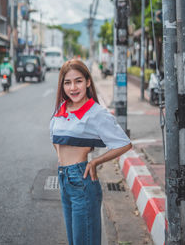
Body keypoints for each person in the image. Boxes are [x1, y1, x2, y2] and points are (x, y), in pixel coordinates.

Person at [49, 59, 132, 245]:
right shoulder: (62, 108)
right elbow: (55, 138)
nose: (73, 88)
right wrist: (61, 159)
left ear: (88, 82)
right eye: (67, 82)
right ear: (62, 85)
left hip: (81, 181)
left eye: (78, 81)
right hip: (64, 179)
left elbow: (124, 143)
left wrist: (95, 162)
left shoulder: (96, 113)